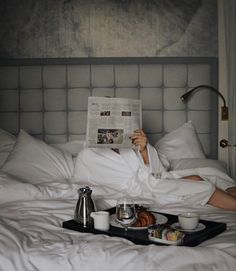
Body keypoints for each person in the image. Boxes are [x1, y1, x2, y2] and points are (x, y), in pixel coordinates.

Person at [74, 129, 236, 211]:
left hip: (156, 182)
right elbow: (82, 187)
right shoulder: (88, 155)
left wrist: (144, 149)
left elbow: (160, 170)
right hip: (142, 192)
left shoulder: (133, 146)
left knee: (208, 174)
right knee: (200, 184)